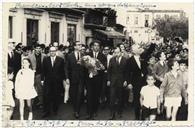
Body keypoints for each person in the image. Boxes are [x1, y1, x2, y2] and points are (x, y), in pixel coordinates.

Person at [41, 46, 66, 118]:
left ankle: (55, 110)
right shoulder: (45, 59)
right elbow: (43, 71)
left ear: (56, 51)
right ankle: (46, 111)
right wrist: (42, 80)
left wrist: (63, 79)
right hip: (48, 81)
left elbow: (62, 71)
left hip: (57, 82)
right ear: (49, 52)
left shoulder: (60, 60)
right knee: (46, 96)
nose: (52, 52)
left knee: (56, 96)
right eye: (51, 51)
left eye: (54, 51)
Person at [125, 44, 148, 120]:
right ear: (134, 51)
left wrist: (143, 73)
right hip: (135, 83)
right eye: (138, 48)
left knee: (145, 98)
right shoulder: (129, 60)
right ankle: (137, 117)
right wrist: (129, 83)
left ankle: (144, 116)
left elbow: (145, 68)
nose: (140, 49)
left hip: (144, 82)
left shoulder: (143, 57)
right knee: (137, 100)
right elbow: (127, 73)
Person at [86, 41, 107, 119]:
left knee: (96, 96)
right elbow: (85, 67)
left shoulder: (103, 56)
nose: (96, 47)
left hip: (98, 79)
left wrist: (96, 67)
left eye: (98, 45)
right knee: (89, 96)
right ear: (92, 47)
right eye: (95, 45)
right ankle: (89, 112)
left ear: (100, 47)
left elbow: (104, 67)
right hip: (89, 79)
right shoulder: (88, 55)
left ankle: (95, 111)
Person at [65, 41, 86, 119]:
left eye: (80, 45)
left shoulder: (83, 55)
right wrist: (67, 78)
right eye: (78, 45)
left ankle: (77, 111)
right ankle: (75, 108)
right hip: (72, 78)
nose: (80, 46)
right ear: (74, 47)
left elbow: (86, 67)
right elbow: (66, 68)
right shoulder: (69, 56)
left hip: (81, 78)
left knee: (80, 94)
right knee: (73, 94)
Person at [107, 47, 127, 120]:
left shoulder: (125, 60)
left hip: (121, 81)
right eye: (115, 52)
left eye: (118, 52)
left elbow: (127, 72)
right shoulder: (112, 59)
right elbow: (109, 71)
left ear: (121, 52)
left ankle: (119, 112)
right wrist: (108, 80)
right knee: (112, 97)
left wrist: (125, 80)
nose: (116, 54)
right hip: (113, 81)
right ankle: (112, 113)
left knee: (120, 97)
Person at [28, 44, 46, 109]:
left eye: (39, 48)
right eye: (37, 48)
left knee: (40, 89)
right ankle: (31, 104)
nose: (38, 49)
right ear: (34, 49)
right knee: (31, 88)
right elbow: (28, 65)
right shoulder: (30, 56)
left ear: (41, 49)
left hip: (40, 74)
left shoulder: (44, 56)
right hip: (32, 74)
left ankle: (41, 102)